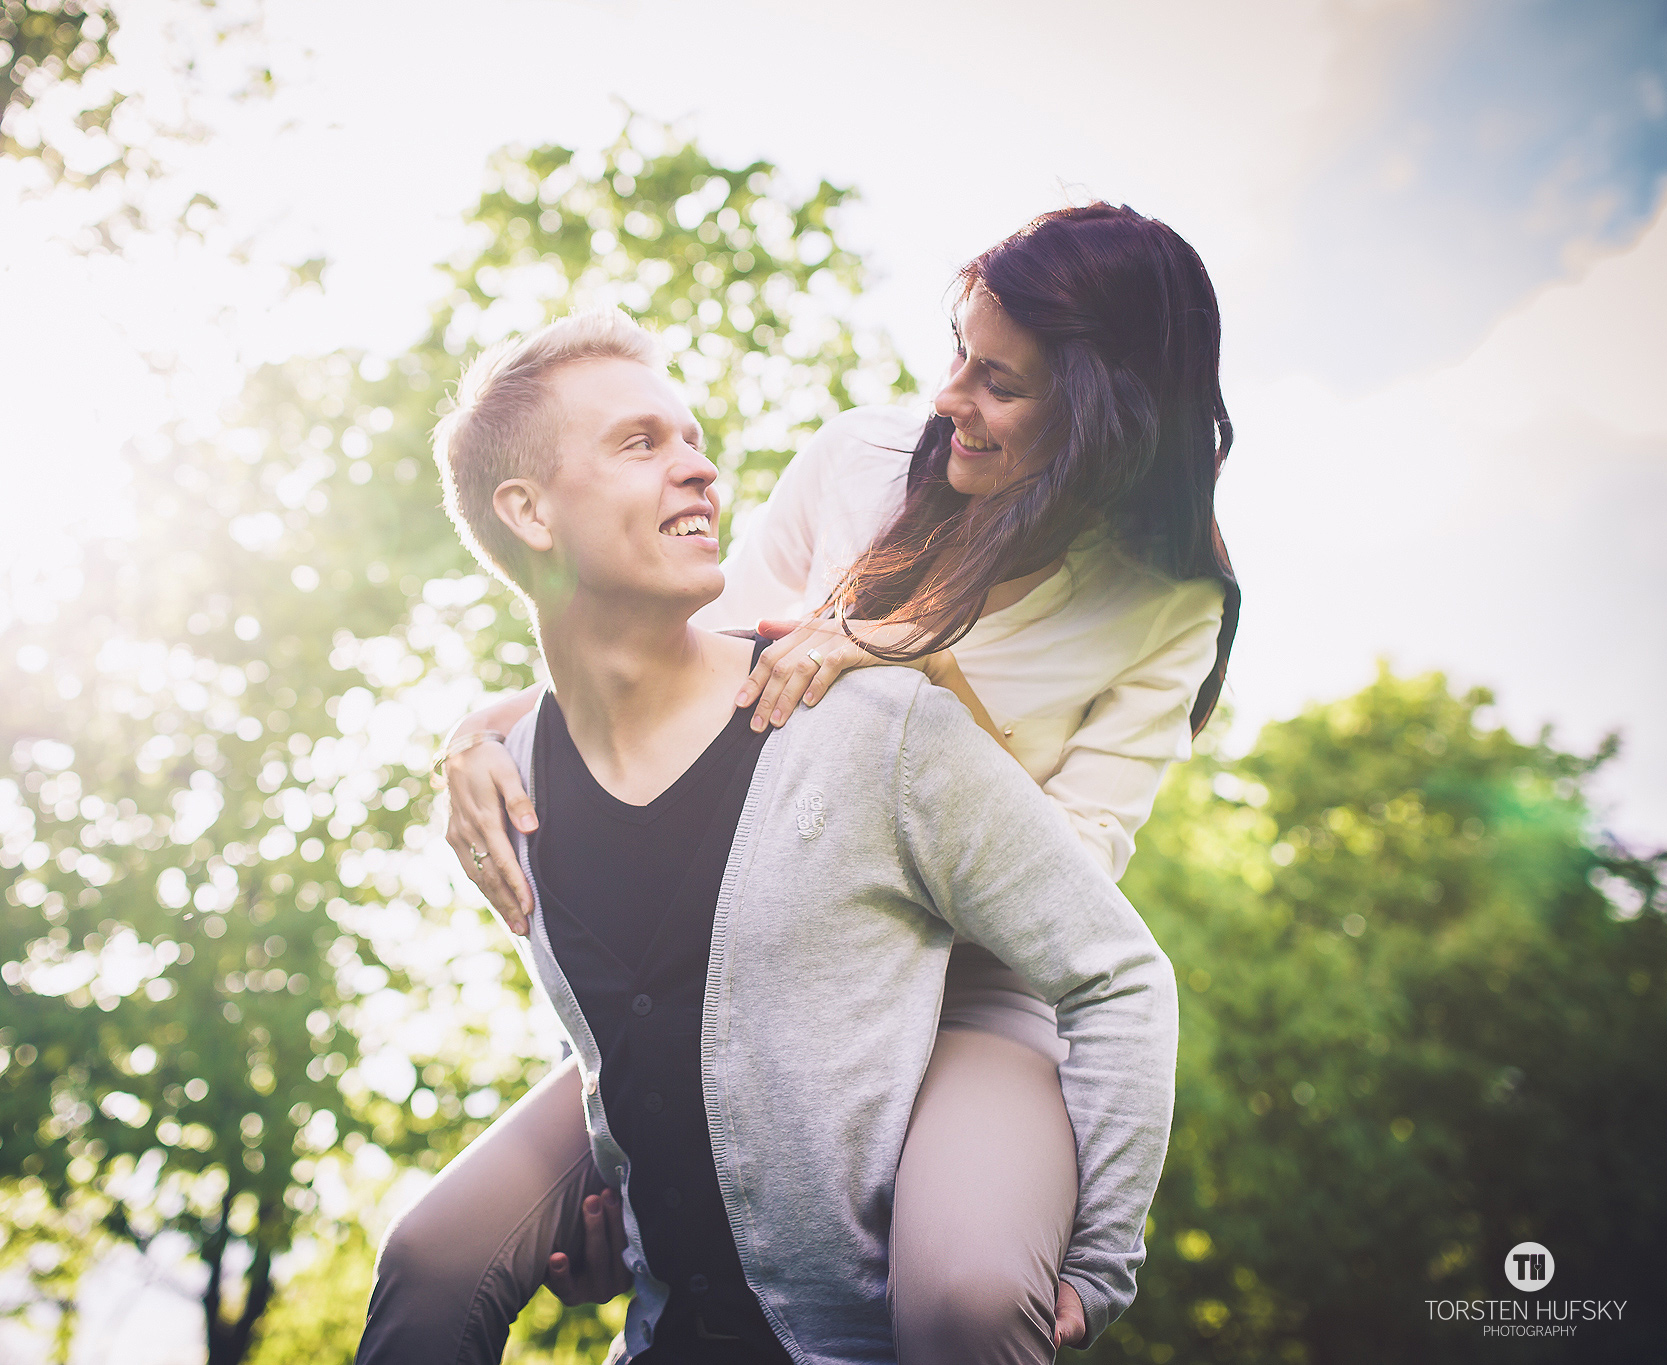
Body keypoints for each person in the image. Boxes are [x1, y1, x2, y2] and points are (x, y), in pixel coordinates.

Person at [432, 203, 1239, 1360]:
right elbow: (684, 660)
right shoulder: (859, 461)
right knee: (434, 1259)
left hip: (973, 985)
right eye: (958, 350)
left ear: (1100, 417)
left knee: (963, 1297)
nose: (950, 396)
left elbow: (1072, 872)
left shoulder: (1170, 608)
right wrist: (479, 730)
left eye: (997, 381)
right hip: (770, 958)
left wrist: (893, 660)